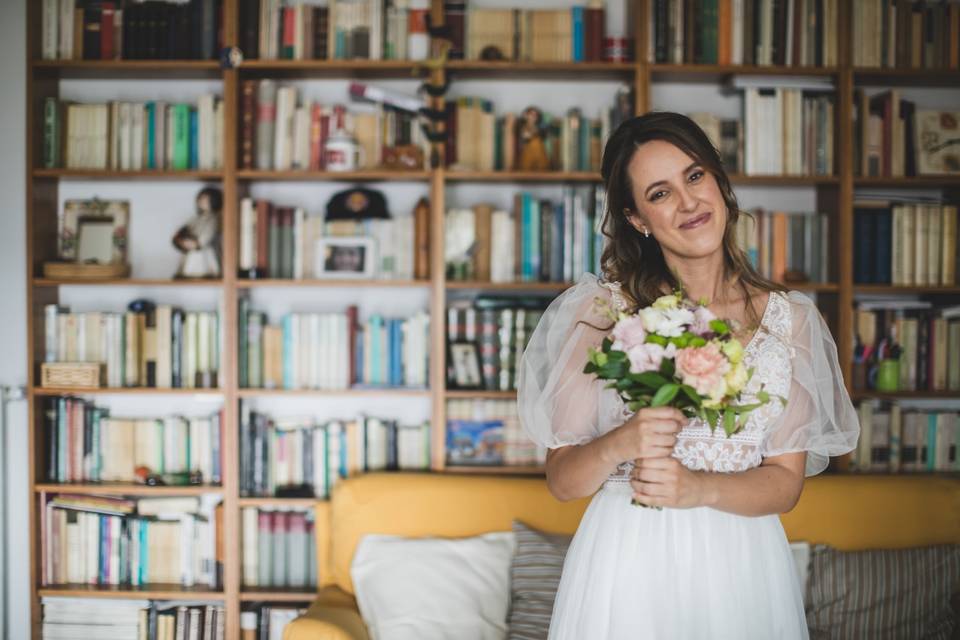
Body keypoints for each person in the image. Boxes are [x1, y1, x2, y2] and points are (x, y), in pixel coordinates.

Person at [517, 112, 859, 639]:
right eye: (660, 192)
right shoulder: (603, 312)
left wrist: (697, 488)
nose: (688, 202)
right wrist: (621, 442)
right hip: (628, 561)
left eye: (694, 176)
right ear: (637, 219)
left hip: (741, 564)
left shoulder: (791, 322)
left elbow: (786, 484)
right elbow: (563, 481)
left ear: (719, 182)